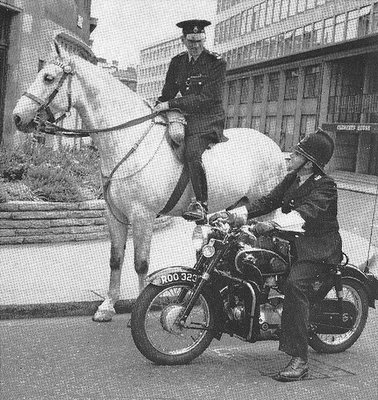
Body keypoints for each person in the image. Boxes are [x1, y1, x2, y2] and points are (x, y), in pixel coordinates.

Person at [211, 129, 342, 382]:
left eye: (297, 153)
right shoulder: (292, 179)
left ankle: (300, 361)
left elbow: (306, 214)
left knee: (295, 286)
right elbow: (266, 201)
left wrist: (273, 225)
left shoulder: (326, 186)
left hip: (318, 249)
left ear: (310, 162)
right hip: (289, 243)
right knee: (243, 258)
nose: (290, 156)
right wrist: (232, 215)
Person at [153, 19, 228, 222]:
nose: (196, 45)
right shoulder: (177, 62)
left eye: (200, 40)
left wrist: (170, 105)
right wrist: (156, 106)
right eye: (191, 41)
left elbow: (207, 98)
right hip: (185, 116)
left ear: (204, 39)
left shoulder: (216, 62)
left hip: (208, 118)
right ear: (183, 40)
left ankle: (200, 203)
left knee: (192, 151)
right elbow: (168, 92)